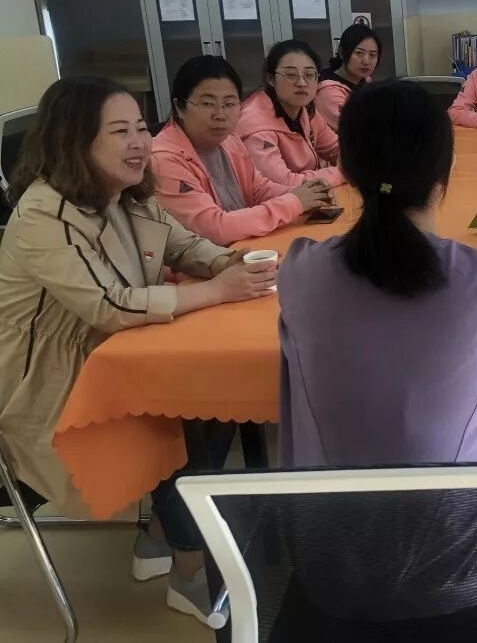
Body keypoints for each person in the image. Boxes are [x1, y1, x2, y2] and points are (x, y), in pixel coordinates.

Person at [276, 80, 477, 638]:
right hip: (466, 573)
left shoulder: (301, 272)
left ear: (348, 170)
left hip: (331, 571)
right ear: (445, 172)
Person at [0, 77, 277, 625]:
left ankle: (164, 536)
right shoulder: (44, 215)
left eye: (142, 128)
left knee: (209, 400)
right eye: (119, 131)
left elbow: (183, 244)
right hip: (43, 386)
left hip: (115, 357)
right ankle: (190, 566)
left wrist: (226, 263)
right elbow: (110, 305)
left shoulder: (126, 194)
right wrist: (217, 291)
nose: (138, 142)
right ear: (75, 140)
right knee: (179, 412)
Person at [153, 56, 334, 245]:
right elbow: (213, 228)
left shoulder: (229, 140)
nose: (220, 115)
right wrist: (294, 202)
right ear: (180, 107)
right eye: (207, 104)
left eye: (229, 104)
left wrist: (307, 195)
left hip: (244, 247)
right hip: (209, 260)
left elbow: (258, 189)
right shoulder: (163, 159)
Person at [236, 40, 343, 187]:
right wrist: (343, 172)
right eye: (291, 75)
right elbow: (284, 183)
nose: (302, 83)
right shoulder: (256, 127)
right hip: (280, 199)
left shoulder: (305, 109)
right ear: (270, 79)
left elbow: (335, 148)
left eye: (309, 74)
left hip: (308, 195)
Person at [316, 23, 382, 130]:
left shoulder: (365, 81)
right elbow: (361, 129)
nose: (366, 61)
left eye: (372, 55)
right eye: (359, 53)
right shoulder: (328, 92)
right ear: (342, 53)